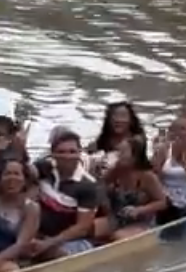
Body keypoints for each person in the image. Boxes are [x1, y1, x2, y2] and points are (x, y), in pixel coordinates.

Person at [30, 131, 99, 260]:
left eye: (72, 152)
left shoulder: (87, 185)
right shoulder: (43, 168)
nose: (67, 156)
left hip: (72, 241)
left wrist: (48, 243)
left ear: (79, 154)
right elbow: (21, 173)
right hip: (40, 234)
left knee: (54, 254)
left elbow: (82, 227)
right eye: (61, 152)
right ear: (52, 154)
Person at [103, 137, 166, 240]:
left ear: (135, 156)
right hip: (117, 218)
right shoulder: (116, 170)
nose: (119, 155)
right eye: (118, 151)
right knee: (91, 229)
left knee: (118, 236)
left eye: (123, 152)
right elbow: (99, 186)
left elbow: (162, 202)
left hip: (142, 222)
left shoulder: (147, 176)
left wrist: (139, 210)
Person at [87, 101, 146, 175]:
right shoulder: (105, 139)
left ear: (131, 120)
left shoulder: (137, 139)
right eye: (114, 116)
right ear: (108, 119)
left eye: (123, 116)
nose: (118, 120)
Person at [152, 116, 186, 226]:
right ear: (172, 132)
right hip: (168, 200)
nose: (183, 133)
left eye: (185, 129)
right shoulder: (164, 150)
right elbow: (155, 176)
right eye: (181, 128)